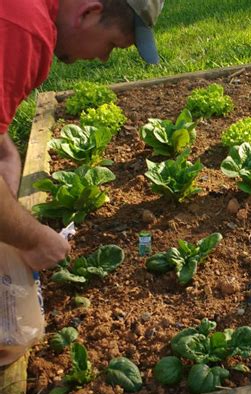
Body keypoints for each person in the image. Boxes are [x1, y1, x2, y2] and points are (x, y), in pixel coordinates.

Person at [0, 0, 164, 271]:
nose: (103, 58)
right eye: (111, 45)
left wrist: (4, 148)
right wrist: (34, 239)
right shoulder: (25, 30)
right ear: (89, 12)